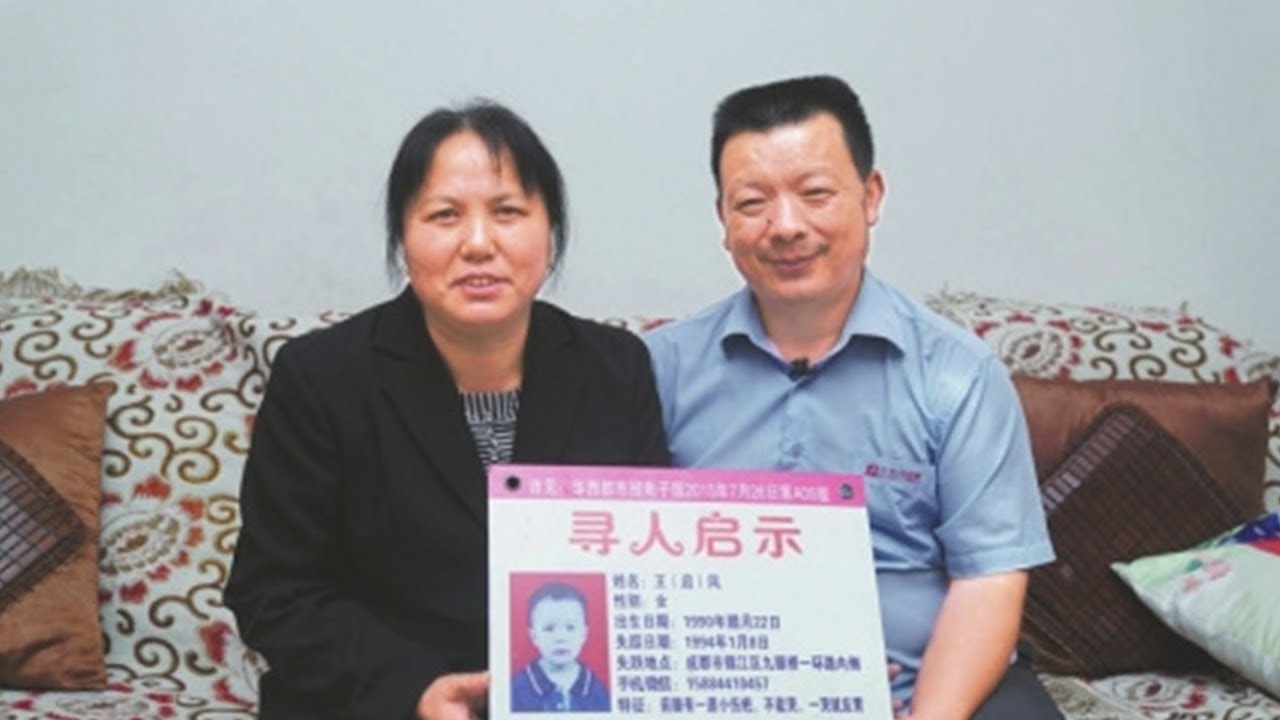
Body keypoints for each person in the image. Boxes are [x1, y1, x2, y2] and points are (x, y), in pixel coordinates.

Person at [224, 100, 669, 720]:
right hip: (376, 704)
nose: (479, 244)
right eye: (444, 215)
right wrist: (414, 689)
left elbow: (647, 571)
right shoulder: (321, 377)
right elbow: (274, 591)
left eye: (508, 212)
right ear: (403, 237)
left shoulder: (616, 368)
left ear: (551, 231)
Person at [643, 75, 1061, 720]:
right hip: (719, 688)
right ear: (723, 219)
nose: (786, 227)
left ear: (871, 197)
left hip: (922, 691)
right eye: (752, 202)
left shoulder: (957, 374)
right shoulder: (659, 369)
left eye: (815, 194)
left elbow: (988, 579)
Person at [510, 581, 609, 713]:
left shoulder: (596, 690)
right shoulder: (516, 690)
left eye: (570, 628)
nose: (560, 638)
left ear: (584, 634)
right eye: (549, 629)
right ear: (533, 635)